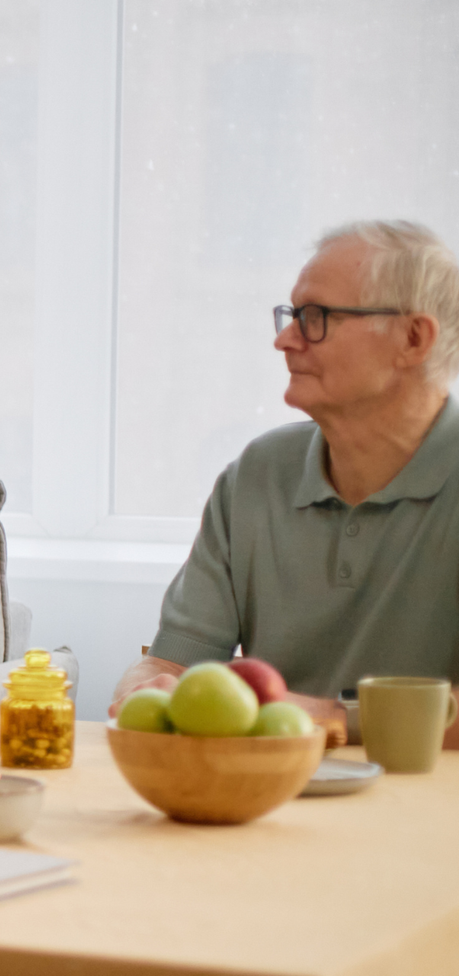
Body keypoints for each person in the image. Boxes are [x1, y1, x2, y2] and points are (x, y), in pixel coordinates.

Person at [109, 220, 459, 747]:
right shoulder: (257, 473)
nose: (284, 339)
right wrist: (148, 690)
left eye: (316, 317)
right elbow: (171, 662)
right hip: (260, 795)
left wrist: (329, 718)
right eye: (292, 315)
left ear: (413, 338)